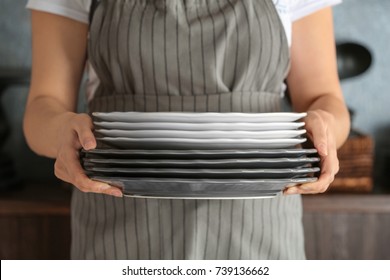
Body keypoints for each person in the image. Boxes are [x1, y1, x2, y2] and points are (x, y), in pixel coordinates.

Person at [23, 0, 350, 259]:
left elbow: (325, 100)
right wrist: (61, 131)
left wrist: (325, 126)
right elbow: (43, 105)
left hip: (260, 227)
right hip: (118, 225)